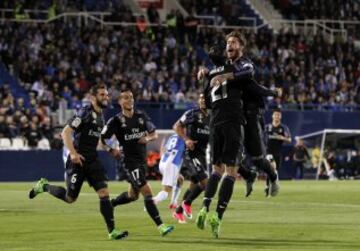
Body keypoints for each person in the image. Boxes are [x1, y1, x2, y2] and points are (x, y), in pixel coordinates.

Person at [28, 84, 128, 240]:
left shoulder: (101, 116)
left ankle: (112, 231)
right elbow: (65, 133)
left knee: (104, 193)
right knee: (70, 198)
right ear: (93, 97)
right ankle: (44, 186)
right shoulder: (84, 113)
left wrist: (109, 150)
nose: (106, 97)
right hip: (78, 160)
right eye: (102, 95)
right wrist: (73, 154)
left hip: (93, 160)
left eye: (107, 95)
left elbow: (98, 140)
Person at [195, 31, 253, 238]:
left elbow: (246, 73)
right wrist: (203, 104)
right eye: (228, 42)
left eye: (234, 42)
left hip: (217, 122)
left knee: (216, 170)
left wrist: (214, 75)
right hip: (229, 122)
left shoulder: (227, 68)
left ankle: (204, 207)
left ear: (241, 47)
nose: (230, 44)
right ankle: (216, 216)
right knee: (229, 171)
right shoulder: (224, 69)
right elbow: (207, 104)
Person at [100, 88, 174, 237]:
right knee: (146, 190)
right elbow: (102, 139)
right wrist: (111, 150)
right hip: (129, 161)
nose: (130, 100)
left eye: (131, 97)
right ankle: (161, 226)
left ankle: (112, 204)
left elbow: (154, 134)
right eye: (126, 98)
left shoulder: (141, 116)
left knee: (133, 195)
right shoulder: (116, 120)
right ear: (120, 102)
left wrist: (146, 138)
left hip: (142, 160)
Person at [172, 93, 210, 224]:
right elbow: (176, 126)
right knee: (206, 183)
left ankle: (178, 211)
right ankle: (186, 203)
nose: (202, 100)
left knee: (194, 185)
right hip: (191, 153)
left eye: (205, 98)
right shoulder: (192, 113)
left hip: (202, 154)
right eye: (200, 98)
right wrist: (186, 139)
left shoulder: (212, 117)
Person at [152, 134, 186, 208]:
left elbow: (164, 149)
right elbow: (181, 156)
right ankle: (152, 201)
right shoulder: (185, 138)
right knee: (166, 191)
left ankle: (173, 202)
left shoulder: (173, 136)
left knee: (180, 179)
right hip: (171, 164)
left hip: (163, 162)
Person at [265, 108, 291, 195]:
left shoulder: (283, 128)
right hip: (268, 151)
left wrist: (281, 137)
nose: (277, 116)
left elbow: (289, 139)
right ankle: (269, 187)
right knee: (271, 167)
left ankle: (271, 185)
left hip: (278, 152)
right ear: (272, 116)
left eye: (278, 115)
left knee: (274, 170)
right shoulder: (267, 127)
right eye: (275, 114)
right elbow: (261, 136)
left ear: (280, 117)